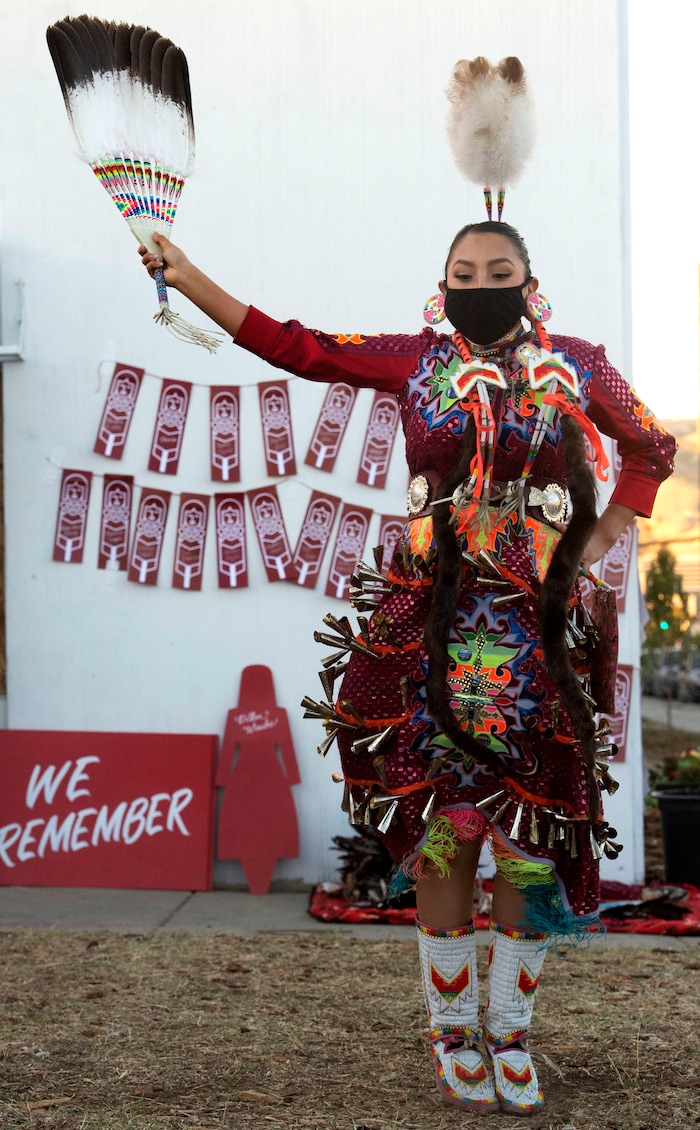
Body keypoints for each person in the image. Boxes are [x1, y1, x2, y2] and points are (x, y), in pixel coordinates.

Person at [140, 222, 676, 1115]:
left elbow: (652, 448)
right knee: (445, 828)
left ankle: (509, 1028)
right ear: (442, 283)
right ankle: (451, 1029)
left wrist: (594, 541)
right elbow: (297, 349)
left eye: (497, 272)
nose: (480, 284)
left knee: (533, 836)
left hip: (539, 639)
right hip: (429, 630)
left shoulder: (581, 365)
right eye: (464, 272)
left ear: (530, 281)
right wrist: (187, 273)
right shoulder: (415, 361)